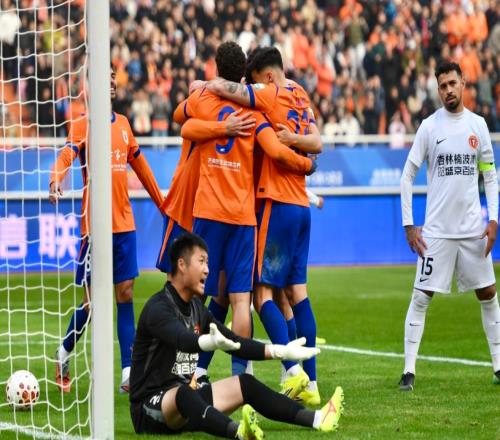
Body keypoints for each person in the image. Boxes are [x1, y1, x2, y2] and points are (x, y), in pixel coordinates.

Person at [181, 42, 316, 379]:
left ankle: (195, 370)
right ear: (244, 76)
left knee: (207, 293)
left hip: (214, 208)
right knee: (246, 299)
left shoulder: (205, 100)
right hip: (246, 213)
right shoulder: (258, 113)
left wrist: (209, 109)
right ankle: (246, 375)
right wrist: (307, 165)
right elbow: (286, 150)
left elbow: (181, 122)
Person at [129, 232, 344, 438]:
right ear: (182, 265)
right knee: (184, 393)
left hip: (185, 404)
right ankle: (239, 432)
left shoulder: (196, 307)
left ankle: (318, 418)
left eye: (208, 263)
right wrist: (208, 342)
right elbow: (182, 340)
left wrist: (280, 351)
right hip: (148, 409)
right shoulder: (158, 308)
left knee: (245, 383)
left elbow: (236, 342)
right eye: (201, 261)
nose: (207, 270)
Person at [49, 70, 164, 393]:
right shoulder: (81, 125)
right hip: (95, 229)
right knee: (92, 305)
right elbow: (66, 155)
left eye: (114, 77)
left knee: (125, 294)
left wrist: (162, 203)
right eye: (105, 76)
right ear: (91, 85)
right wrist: (56, 178)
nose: (111, 81)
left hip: (124, 225)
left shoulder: (124, 124)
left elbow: (142, 168)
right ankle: (63, 352)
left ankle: (128, 371)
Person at [399, 61, 500, 391]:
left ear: (463, 83)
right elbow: (407, 176)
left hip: (473, 230)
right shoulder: (429, 127)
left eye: (452, 83)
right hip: (437, 233)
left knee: (488, 293)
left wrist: (494, 218)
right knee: (421, 297)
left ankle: (499, 365)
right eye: (442, 86)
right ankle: (408, 371)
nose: (448, 90)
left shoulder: (478, 126)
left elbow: (489, 176)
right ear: (438, 89)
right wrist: (409, 225)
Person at [156, 103, 256, 276]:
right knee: (177, 275)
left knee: (214, 275)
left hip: (214, 206)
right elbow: (180, 118)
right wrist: (224, 127)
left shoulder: (245, 107)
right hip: (184, 203)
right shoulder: (202, 99)